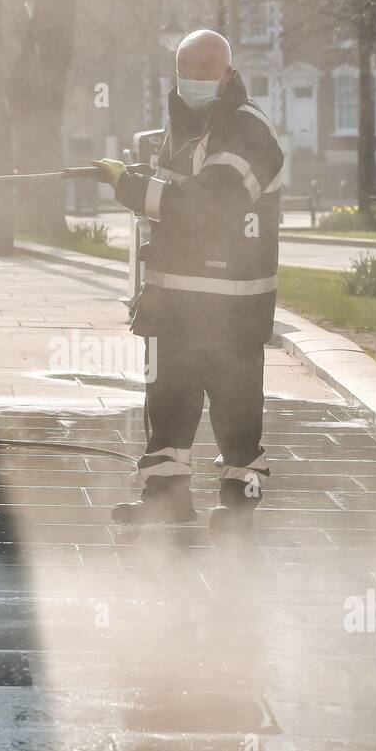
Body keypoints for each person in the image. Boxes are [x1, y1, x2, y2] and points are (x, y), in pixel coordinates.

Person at [93, 29, 284, 542]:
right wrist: (139, 179)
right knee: (169, 403)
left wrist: (132, 188)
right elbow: (178, 190)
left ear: (228, 73)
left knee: (236, 407)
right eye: (188, 72)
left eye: (207, 71)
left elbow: (211, 204)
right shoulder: (182, 123)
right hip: (174, 298)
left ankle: (239, 508)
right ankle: (165, 502)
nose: (196, 81)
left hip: (231, 303)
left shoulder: (250, 130)